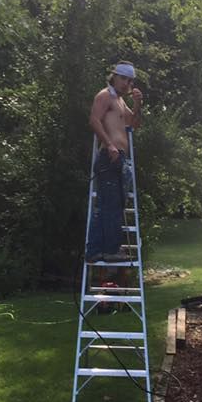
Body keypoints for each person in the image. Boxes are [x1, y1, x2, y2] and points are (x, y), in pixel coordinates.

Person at [85, 61, 143, 263]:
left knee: (115, 206)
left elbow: (134, 124)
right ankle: (99, 250)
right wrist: (109, 144)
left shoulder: (119, 101)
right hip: (109, 157)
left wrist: (137, 104)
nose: (127, 83)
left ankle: (106, 249)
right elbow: (94, 120)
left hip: (121, 159)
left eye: (130, 80)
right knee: (107, 206)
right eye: (124, 78)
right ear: (115, 77)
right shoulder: (105, 95)